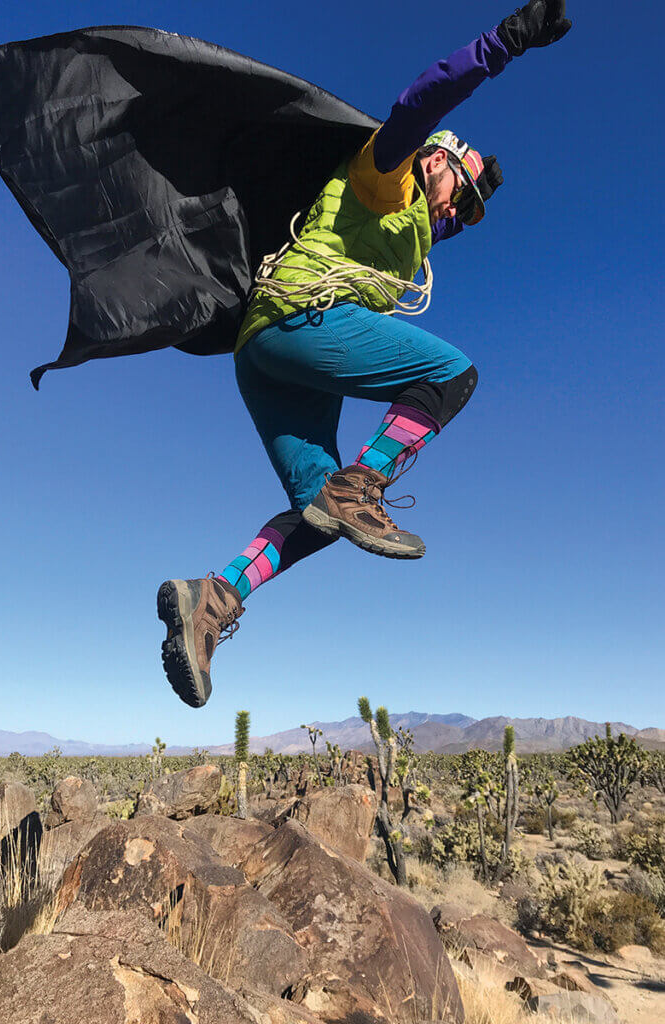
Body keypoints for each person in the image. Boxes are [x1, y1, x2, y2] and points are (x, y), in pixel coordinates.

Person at [158, 0, 572, 708]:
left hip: (267, 354)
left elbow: (427, 225)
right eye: (460, 194)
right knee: (451, 373)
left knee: (319, 517)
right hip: (300, 318)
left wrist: (453, 213)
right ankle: (362, 486)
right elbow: (422, 98)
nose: (456, 214)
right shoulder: (388, 173)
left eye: (468, 216)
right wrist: (503, 42)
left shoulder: (406, 240)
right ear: (435, 158)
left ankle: (213, 597)